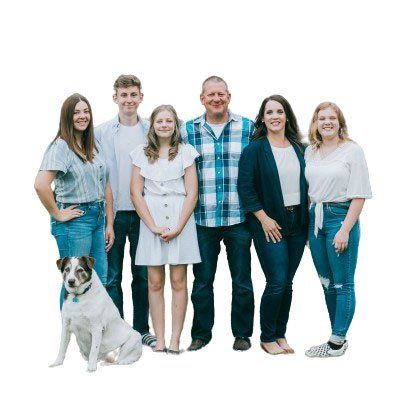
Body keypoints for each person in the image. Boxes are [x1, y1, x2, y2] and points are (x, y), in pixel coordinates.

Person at [180, 76, 255, 352]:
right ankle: (201, 334)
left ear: (229, 96)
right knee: (202, 282)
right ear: (202, 99)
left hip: (239, 218)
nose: (216, 99)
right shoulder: (187, 130)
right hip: (202, 219)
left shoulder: (247, 127)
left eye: (221, 94)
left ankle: (243, 334)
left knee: (242, 282)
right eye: (210, 94)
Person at [238, 95, 308, 355]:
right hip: (269, 222)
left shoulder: (299, 147)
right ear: (263, 118)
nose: (275, 116)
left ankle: (280, 334)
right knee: (276, 281)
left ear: (287, 115)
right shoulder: (255, 149)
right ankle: (267, 336)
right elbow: (245, 188)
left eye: (280, 111)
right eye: (269, 112)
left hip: (298, 222)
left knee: (288, 282)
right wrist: (264, 218)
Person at [130, 105, 200, 353]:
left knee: (179, 281)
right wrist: (152, 226)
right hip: (152, 218)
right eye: (159, 121)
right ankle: (159, 339)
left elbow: (192, 191)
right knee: (155, 282)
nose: (164, 125)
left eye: (169, 120)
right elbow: (136, 193)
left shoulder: (186, 152)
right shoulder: (140, 153)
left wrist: (179, 226)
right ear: (153, 125)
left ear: (175, 124)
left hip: (180, 218)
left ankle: (175, 340)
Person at [304, 102, 372, 358]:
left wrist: (344, 230)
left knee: (343, 282)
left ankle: (335, 342)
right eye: (322, 118)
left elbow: (360, 194)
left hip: (340, 217)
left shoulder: (352, 151)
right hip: (315, 219)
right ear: (315, 123)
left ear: (340, 122)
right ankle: (338, 336)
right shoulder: (310, 151)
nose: (327, 122)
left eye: (332, 118)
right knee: (326, 282)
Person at [35, 93, 114, 307]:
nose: (82, 116)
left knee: (99, 282)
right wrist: (57, 213)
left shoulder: (93, 145)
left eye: (86, 111)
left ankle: (95, 340)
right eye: (76, 112)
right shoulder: (61, 147)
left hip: (98, 218)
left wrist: (109, 223)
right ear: (67, 117)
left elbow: (105, 184)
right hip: (75, 223)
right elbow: (41, 184)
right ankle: (70, 339)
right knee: (73, 285)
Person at [95, 74, 156, 348]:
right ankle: (118, 331)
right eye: (124, 95)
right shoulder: (101, 133)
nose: (129, 100)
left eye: (133, 94)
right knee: (112, 277)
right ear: (115, 98)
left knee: (142, 275)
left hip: (145, 213)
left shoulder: (152, 130)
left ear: (141, 97)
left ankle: (142, 329)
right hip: (113, 214)